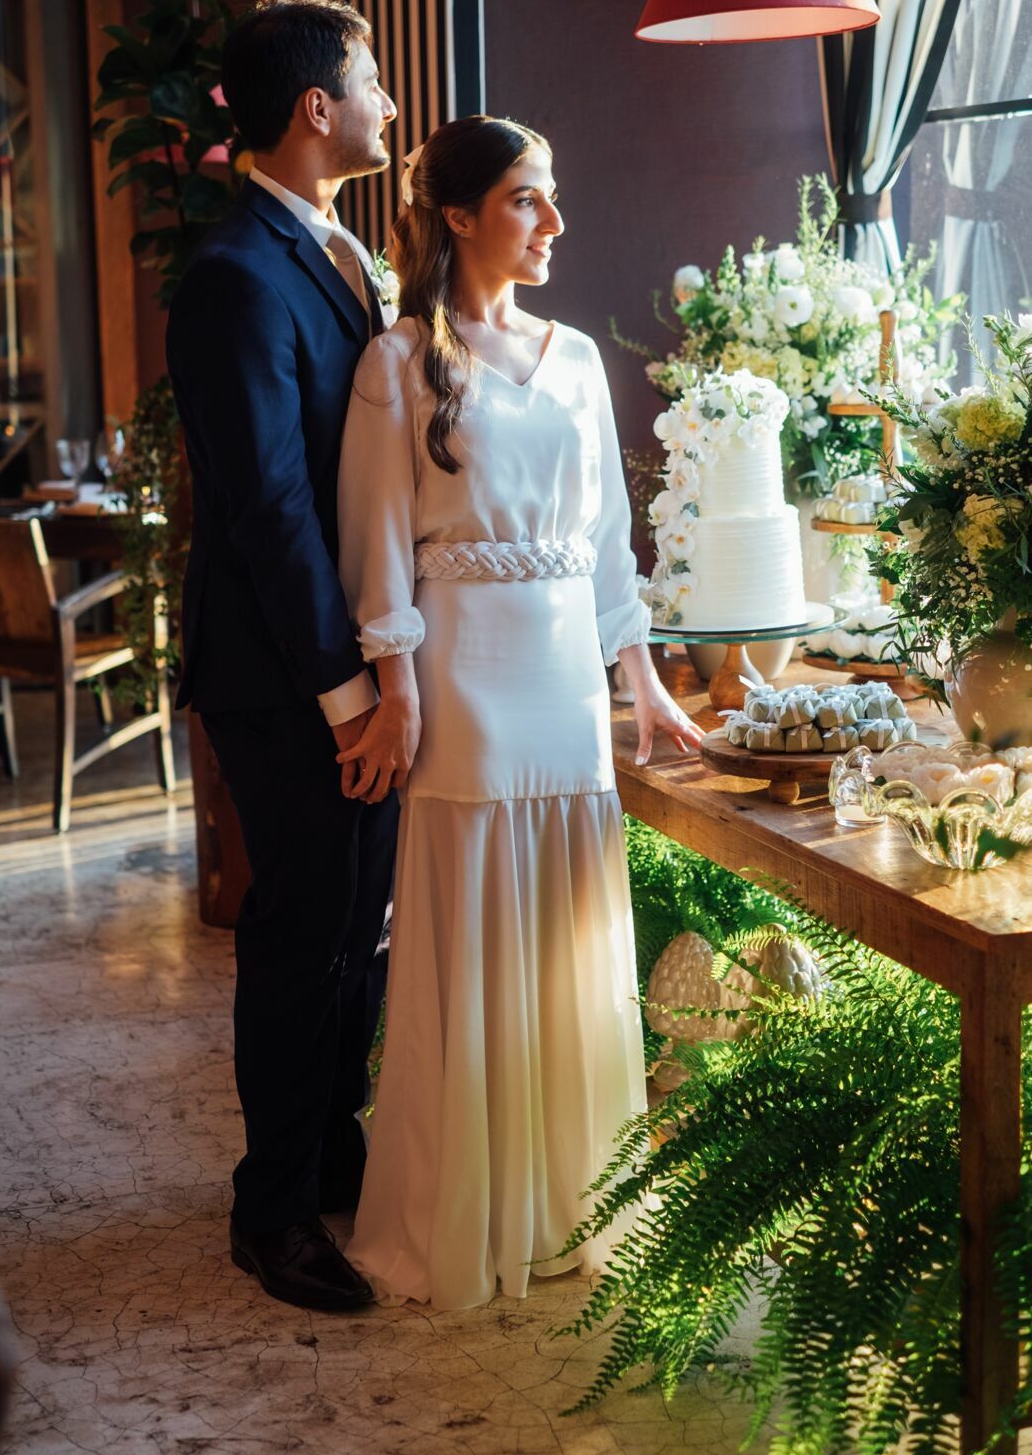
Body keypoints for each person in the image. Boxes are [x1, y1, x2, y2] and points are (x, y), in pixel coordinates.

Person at [335, 115, 704, 1310]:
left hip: (564, 687)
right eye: (525, 199)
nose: (553, 221)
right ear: (457, 214)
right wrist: (395, 692)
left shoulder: (580, 358)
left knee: (568, 933)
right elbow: (375, 547)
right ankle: (469, 1213)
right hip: (464, 683)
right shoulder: (399, 361)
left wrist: (639, 682)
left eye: (550, 197)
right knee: (474, 940)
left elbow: (607, 545)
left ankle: (569, 1206)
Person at [165, 0, 398, 1311]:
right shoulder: (234, 276)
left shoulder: (341, 249)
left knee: (355, 925)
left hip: (360, 657)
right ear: (317, 107)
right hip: (282, 672)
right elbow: (267, 506)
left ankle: (330, 1148)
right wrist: (344, 690)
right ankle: (271, 1213)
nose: (385, 105)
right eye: (369, 83)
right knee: (302, 929)